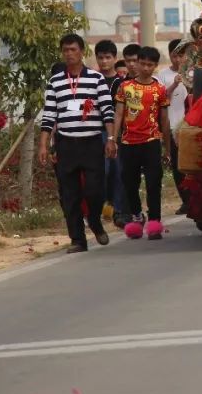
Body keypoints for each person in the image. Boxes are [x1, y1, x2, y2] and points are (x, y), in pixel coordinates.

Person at [39, 34, 115, 253]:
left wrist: (110, 138)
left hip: (92, 142)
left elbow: (107, 111)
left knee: (95, 189)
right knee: (69, 193)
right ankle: (78, 239)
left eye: (73, 49)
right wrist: (44, 145)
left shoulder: (96, 79)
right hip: (66, 143)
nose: (69, 54)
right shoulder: (55, 82)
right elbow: (49, 114)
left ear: (82, 51)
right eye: (65, 50)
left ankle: (94, 220)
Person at [109, 46, 170, 238]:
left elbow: (165, 120)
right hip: (128, 142)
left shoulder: (159, 89)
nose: (145, 68)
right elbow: (118, 114)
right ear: (137, 63)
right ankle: (136, 217)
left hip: (151, 141)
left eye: (149, 65)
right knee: (129, 183)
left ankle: (154, 222)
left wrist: (167, 147)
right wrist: (113, 139)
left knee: (153, 183)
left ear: (155, 66)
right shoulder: (125, 87)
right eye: (142, 63)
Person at [95, 40, 128, 228]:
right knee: (103, 172)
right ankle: (105, 206)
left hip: (118, 134)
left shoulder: (122, 84)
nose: (104, 61)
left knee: (118, 171)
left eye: (108, 57)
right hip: (97, 132)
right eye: (101, 57)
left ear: (115, 59)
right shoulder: (93, 81)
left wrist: (115, 136)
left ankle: (119, 211)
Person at [158, 38, 191, 215]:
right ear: (171, 56)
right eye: (175, 56)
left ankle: (196, 198)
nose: (178, 60)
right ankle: (185, 200)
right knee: (178, 166)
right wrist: (175, 84)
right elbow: (161, 99)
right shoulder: (163, 75)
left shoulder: (193, 73)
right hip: (172, 127)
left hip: (190, 125)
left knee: (193, 164)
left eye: (182, 56)